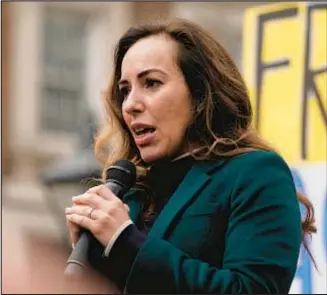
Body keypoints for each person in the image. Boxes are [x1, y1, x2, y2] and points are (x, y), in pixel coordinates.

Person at [65, 18, 317, 294]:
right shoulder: (131, 196)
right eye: (125, 90)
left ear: (200, 93)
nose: (131, 105)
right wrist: (92, 264)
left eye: (151, 83)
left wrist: (126, 242)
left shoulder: (256, 173)